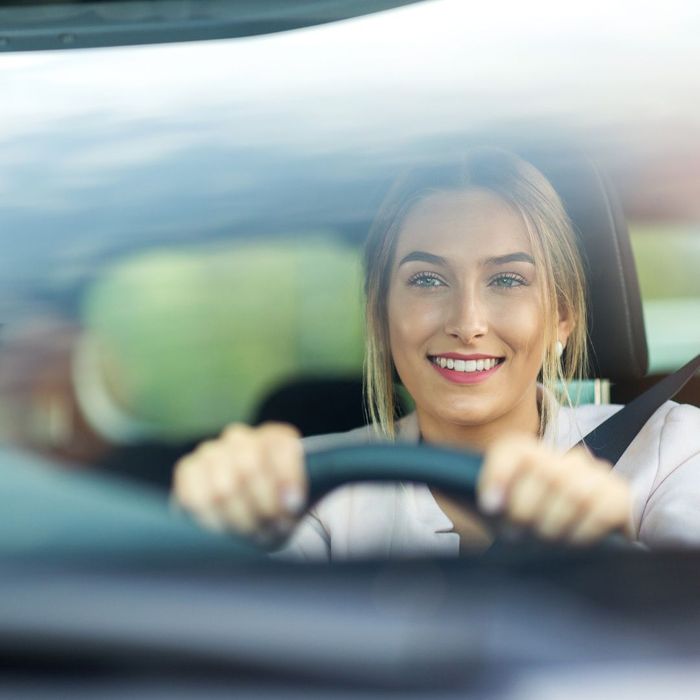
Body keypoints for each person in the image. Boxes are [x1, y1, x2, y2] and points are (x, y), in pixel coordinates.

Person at [172, 148, 700, 560]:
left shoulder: (670, 450)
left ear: (561, 316)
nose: (467, 323)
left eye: (507, 279)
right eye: (426, 279)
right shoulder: (308, 483)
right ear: (380, 315)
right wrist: (216, 543)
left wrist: (612, 560)